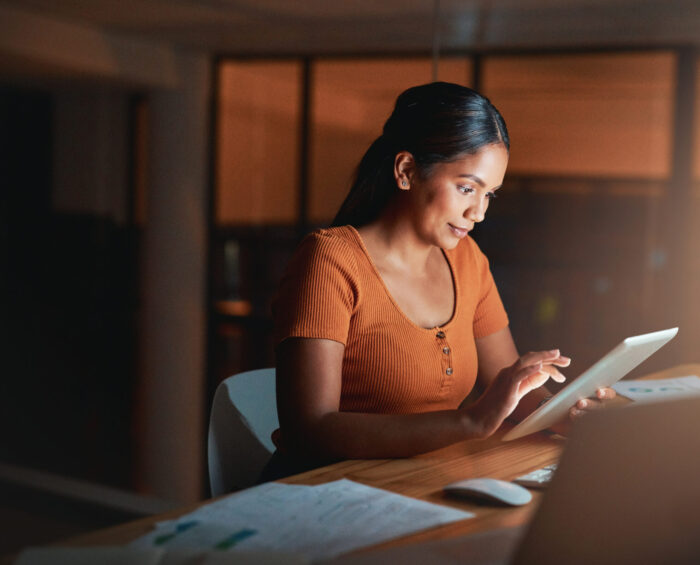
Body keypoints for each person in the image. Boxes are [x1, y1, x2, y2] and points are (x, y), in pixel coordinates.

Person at [262, 82, 615, 481]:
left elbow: (511, 398)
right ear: (407, 171)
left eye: (490, 195)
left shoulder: (468, 262)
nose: (478, 212)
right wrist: (469, 423)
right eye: (467, 188)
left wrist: (563, 413)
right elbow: (309, 428)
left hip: (420, 485)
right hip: (326, 496)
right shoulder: (330, 260)